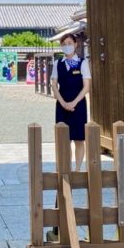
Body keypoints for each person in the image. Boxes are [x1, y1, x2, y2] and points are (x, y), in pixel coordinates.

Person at [51, 33, 91, 170]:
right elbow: (54, 85)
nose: (67, 46)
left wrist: (73, 103)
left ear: (75, 44)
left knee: (79, 139)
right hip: (61, 104)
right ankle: (65, 169)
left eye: (69, 43)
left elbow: (86, 86)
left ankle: (78, 169)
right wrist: (63, 103)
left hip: (78, 105)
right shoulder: (58, 63)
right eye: (64, 44)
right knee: (63, 139)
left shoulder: (82, 63)